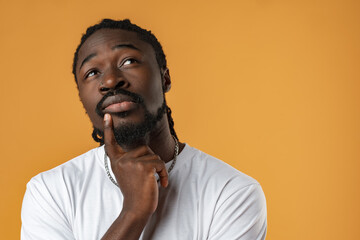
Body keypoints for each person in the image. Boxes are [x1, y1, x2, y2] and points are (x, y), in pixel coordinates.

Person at [21, 19, 267, 240]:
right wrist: (133, 213)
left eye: (128, 61)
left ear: (165, 78)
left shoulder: (233, 192)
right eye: (93, 72)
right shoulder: (50, 192)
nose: (110, 81)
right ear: (82, 99)